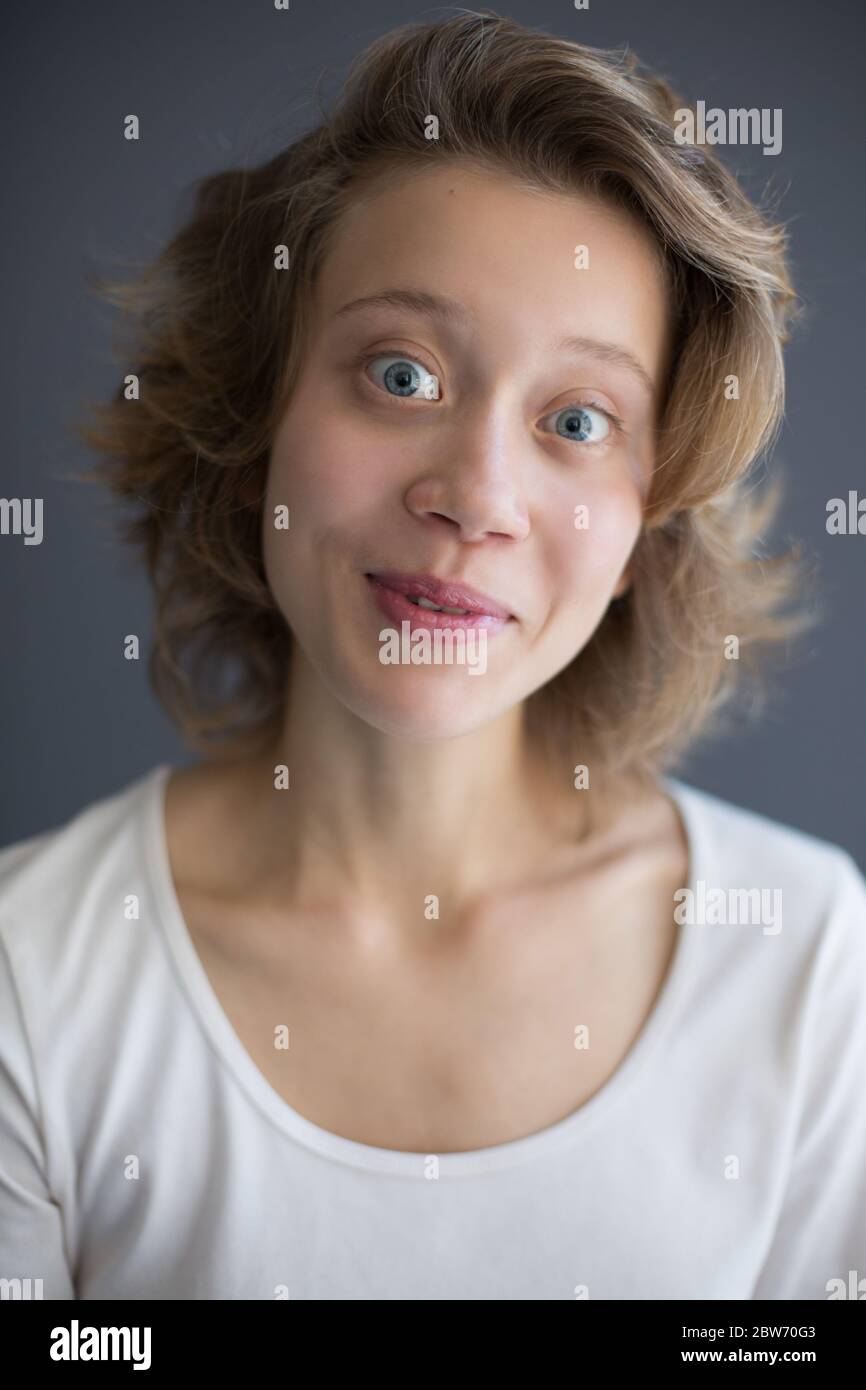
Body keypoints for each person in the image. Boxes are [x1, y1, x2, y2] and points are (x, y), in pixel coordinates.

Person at [1, 11, 864, 1302]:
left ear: (643, 529)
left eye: (578, 419)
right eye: (399, 374)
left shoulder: (807, 960)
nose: (476, 494)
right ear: (257, 426)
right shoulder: (31, 973)